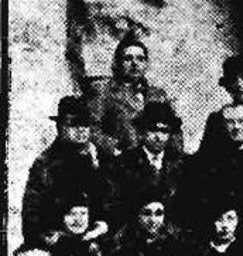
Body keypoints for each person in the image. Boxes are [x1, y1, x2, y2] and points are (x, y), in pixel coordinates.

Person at [22, 96, 110, 245]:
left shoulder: (102, 158)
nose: (81, 130)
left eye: (85, 124)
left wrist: (103, 226)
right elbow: (33, 214)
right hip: (59, 244)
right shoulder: (46, 164)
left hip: (98, 241)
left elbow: (113, 199)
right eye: (74, 124)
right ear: (59, 127)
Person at [180, 102, 243, 231]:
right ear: (221, 126)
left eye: (242, 121)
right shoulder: (202, 162)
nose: (237, 127)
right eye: (230, 122)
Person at [88, 31, 182, 158]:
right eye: (128, 58)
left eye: (140, 59)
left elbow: (174, 129)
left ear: (146, 64)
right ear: (118, 63)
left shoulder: (158, 95)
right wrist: (113, 149)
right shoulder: (104, 92)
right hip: (120, 162)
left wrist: (174, 154)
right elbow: (92, 128)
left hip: (153, 161)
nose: (135, 64)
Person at [105, 101, 186, 230]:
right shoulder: (122, 163)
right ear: (142, 132)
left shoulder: (182, 164)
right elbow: (115, 206)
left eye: (164, 131)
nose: (158, 137)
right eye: (153, 130)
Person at [197, 55, 243, 157]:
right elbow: (206, 156)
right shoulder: (217, 119)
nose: (239, 84)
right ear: (228, 86)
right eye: (234, 79)